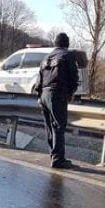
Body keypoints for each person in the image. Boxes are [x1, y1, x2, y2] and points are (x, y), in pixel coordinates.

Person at [34, 32, 79, 169]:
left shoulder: (46, 57)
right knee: (59, 126)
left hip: (44, 95)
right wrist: (71, 92)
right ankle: (59, 160)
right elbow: (73, 76)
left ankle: (54, 156)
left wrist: (39, 95)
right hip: (56, 94)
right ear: (67, 44)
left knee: (49, 127)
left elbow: (39, 78)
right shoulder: (67, 56)